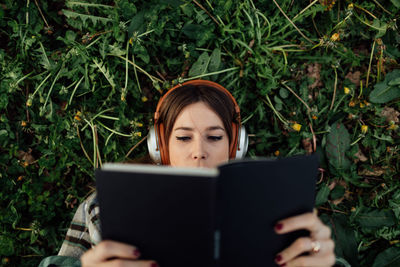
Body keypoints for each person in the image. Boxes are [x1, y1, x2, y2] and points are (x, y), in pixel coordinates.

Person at [40, 80, 335, 267]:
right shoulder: (102, 207)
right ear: (160, 147)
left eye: (215, 137)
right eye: (183, 137)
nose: (199, 151)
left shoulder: (273, 206)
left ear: (236, 146)